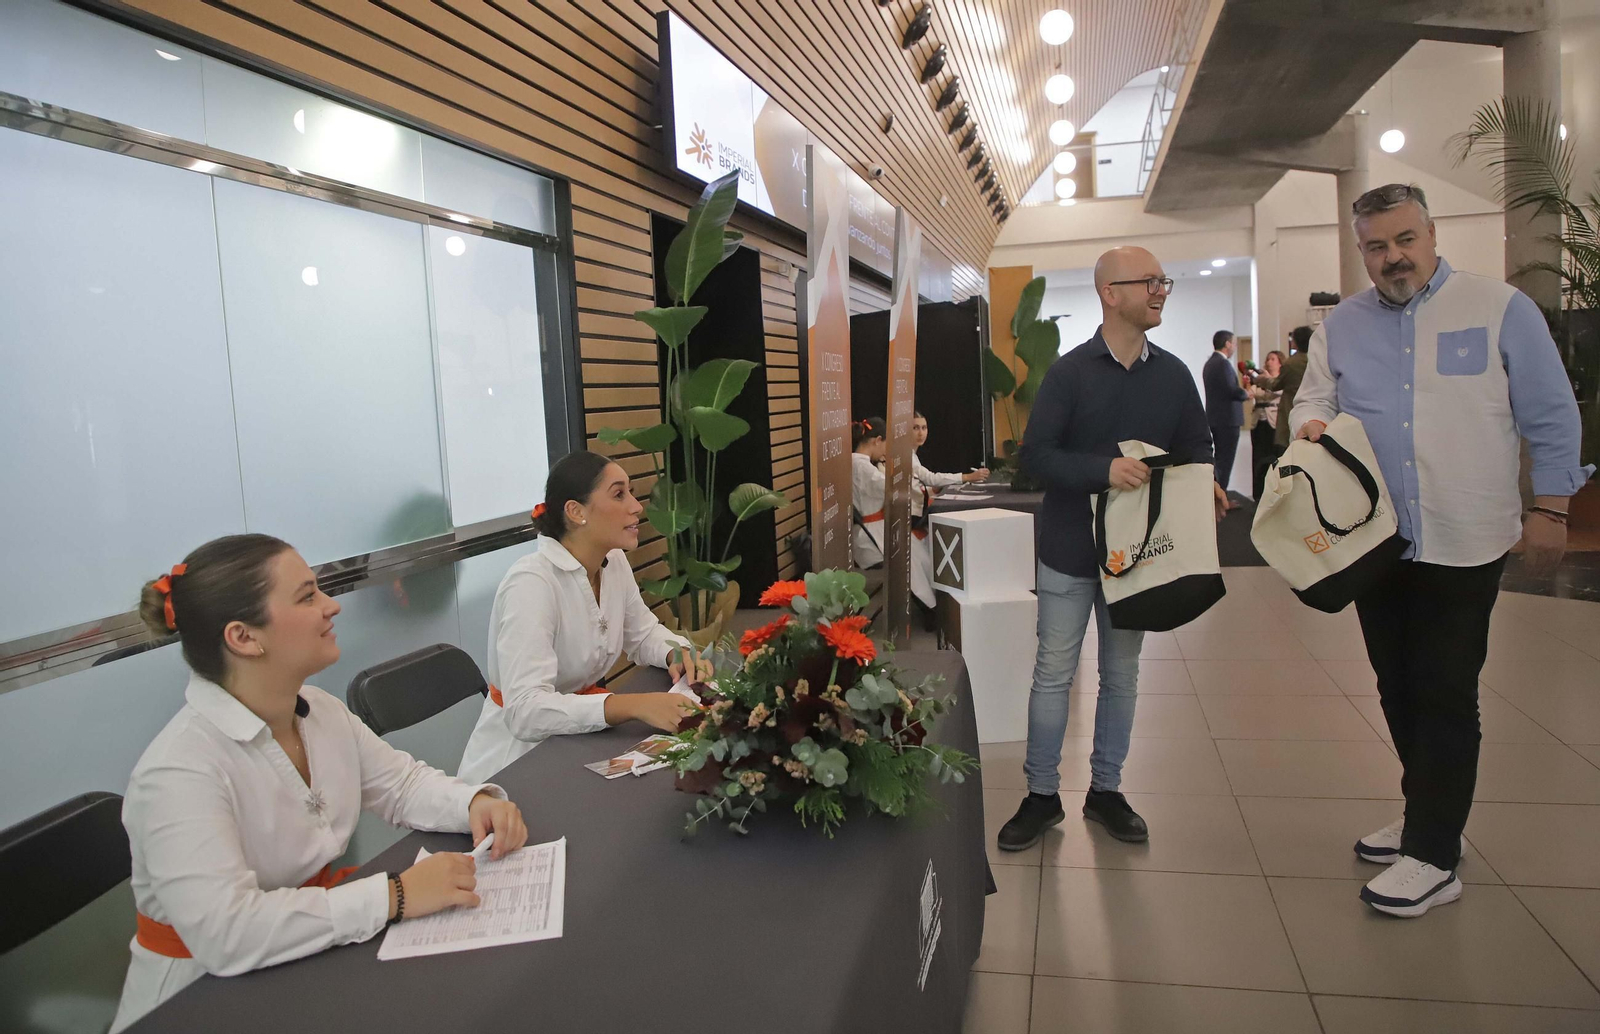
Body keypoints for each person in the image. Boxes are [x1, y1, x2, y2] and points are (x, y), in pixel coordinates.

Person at [1292, 182, 1591, 917]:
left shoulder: (1499, 309)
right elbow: (1314, 397)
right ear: (1360, 249)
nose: (1393, 258)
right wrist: (1310, 425)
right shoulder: (1344, 325)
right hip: (1375, 541)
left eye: (1404, 240)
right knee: (1396, 686)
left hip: (1467, 535)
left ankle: (1433, 852)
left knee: (1446, 690)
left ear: (1431, 233)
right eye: (1376, 246)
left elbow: (1551, 414)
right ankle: (1428, 811)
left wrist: (1551, 509)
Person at [112, 535, 529, 1032]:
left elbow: (401, 785)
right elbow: (229, 934)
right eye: (307, 596)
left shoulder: (318, 708)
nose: (331, 606)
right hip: (199, 998)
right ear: (244, 637)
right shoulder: (179, 771)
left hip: (306, 956)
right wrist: (394, 894)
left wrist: (472, 803)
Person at [997, 247, 1225, 851]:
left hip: (1142, 555)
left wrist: (1207, 482)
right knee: (1054, 675)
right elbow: (1036, 458)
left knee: (1121, 676)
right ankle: (1041, 795)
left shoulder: (1174, 375)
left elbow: (1197, 446)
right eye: (1149, 281)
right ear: (1110, 293)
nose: (1161, 291)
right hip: (1071, 551)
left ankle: (1106, 791)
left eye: (1164, 280)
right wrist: (1105, 469)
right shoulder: (1069, 374)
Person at [456, 451, 710, 784]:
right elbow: (525, 712)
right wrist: (630, 705)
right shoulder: (531, 584)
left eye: (631, 492)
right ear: (576, 512)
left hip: (576, 744)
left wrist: (677, 651)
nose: (637, 506)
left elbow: (643, 633)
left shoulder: (613, 561)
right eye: (619, 494)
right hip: (514, 766)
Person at [852, 416, 937, 613]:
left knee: (920, 553)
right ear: (877, 441)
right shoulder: (862, 466)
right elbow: (891, 488)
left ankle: (929, 603)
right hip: (872, 534)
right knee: (916, 556)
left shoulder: (860, 464)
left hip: (874, 528)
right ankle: (929, 605)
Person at [1203, 329, 1250, 498]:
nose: (1235, 347)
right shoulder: (1222, 364)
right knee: (1225, 459)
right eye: (1234, 343)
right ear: (1227, 344)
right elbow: (1230, 390)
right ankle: (1221, 495)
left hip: (1217, 418)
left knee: (1220, 458)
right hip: (1227, 419)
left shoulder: (1210, 363)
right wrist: (1247, 393)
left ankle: (1217, 493)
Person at [1250, 350, 1285, 498]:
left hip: (1274, 421)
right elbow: (1251, 392)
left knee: (1274, 456)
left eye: (1273, 359)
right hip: (1258, 422)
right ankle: (1258, 493)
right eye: (1268, 359)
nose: (1269, 362)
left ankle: (1275, 492)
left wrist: (1268, 380)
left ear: (1280, 363)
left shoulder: (1280, 379)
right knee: (1257, 457)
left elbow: (1280, 391)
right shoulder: (1259, 380)